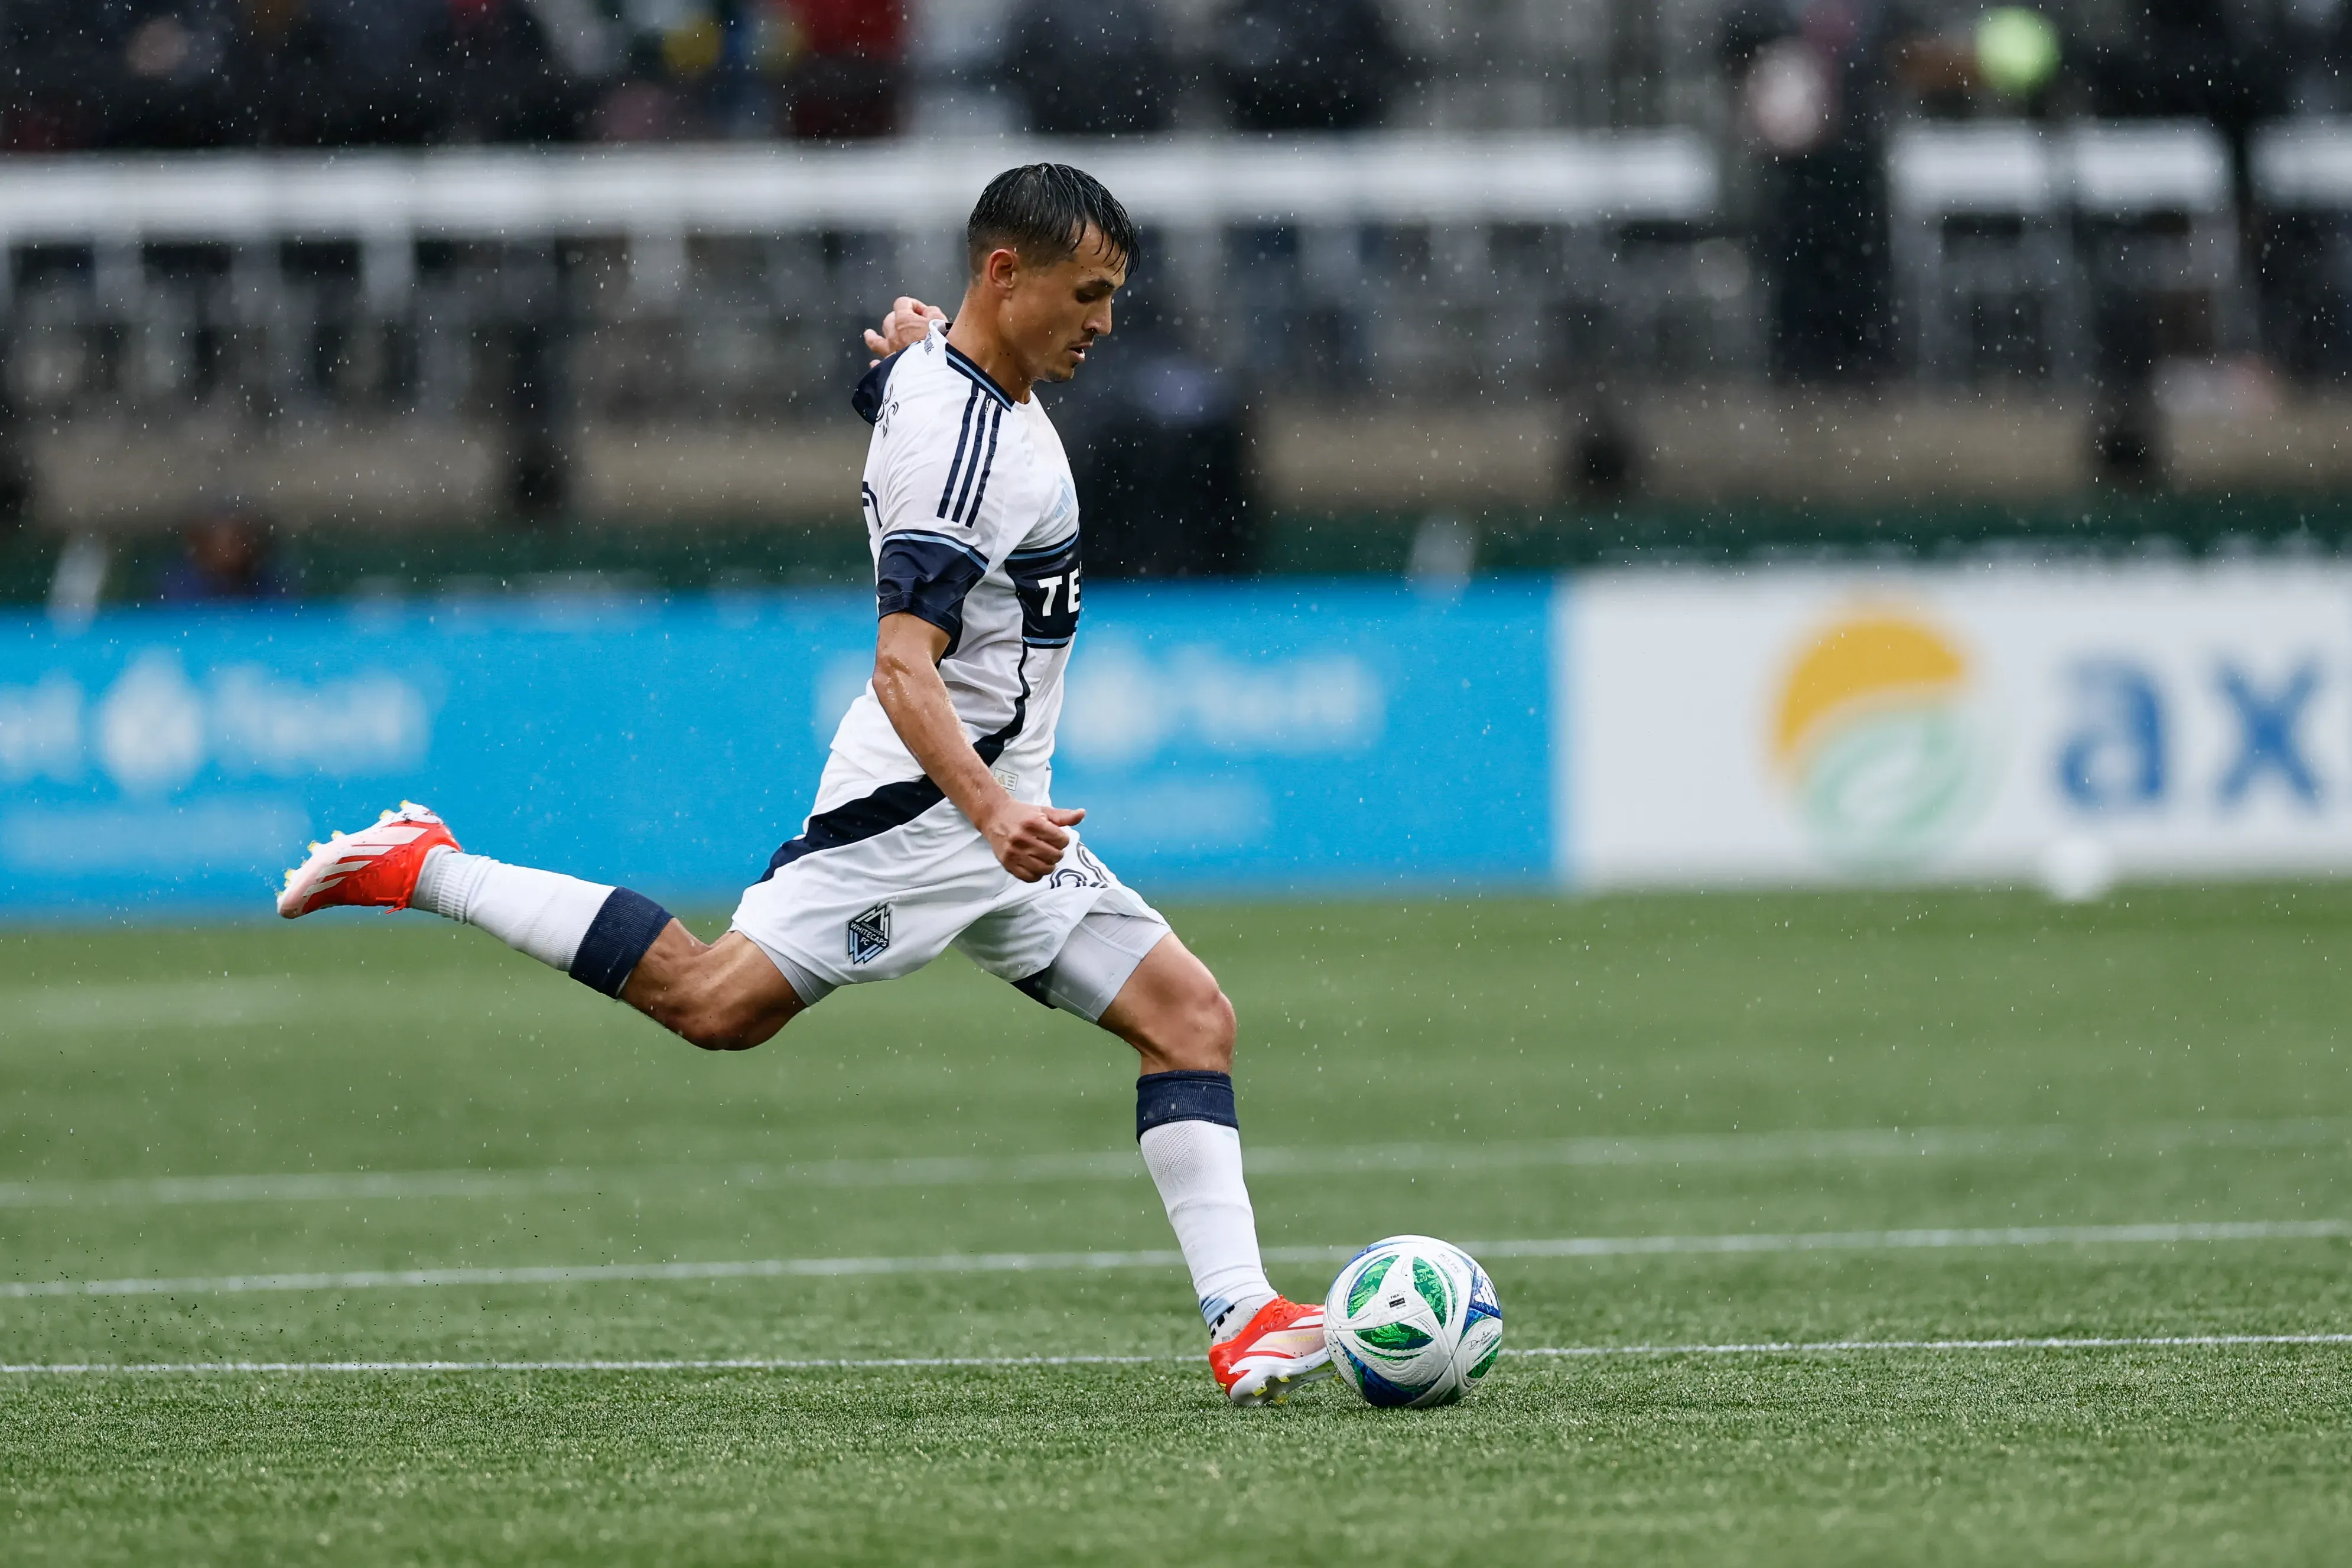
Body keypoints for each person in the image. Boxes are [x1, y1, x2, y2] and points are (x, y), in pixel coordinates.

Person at [274, 164, 1333, 1407]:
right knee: (716, 1000)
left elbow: (900, 388)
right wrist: (992, 814)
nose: (1104, 322)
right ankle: (427, 864)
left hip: (998, 812)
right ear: (1005, 273)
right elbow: (900, 667)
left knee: (1187, 1018)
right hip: (935, 811)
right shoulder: (969, 445)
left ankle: (1242, 1317)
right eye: (1087, 294)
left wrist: (906, 356)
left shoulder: (954, 379)